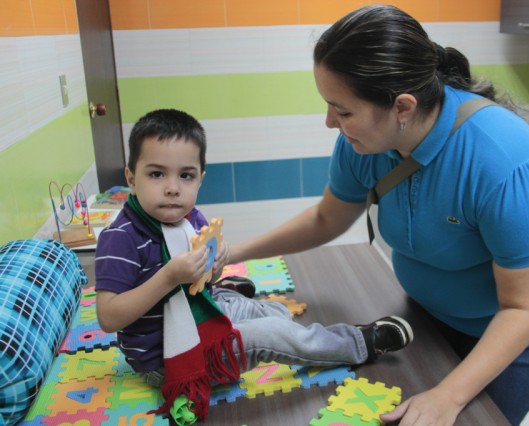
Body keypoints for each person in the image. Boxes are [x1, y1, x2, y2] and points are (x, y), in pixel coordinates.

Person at [226, 5, 529, 426]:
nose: (330, 122)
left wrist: (447, 397)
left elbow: (524, 306)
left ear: (402, 107)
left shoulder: (501, 156)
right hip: (430, 310)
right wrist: (237, 250)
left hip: (521, 320)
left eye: (342, 110)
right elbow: (328, 218)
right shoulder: (362, 143)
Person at [93, 108, 414, 422]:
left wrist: (214, 268)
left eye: (185, 175)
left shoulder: (189, 217)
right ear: (131, 179)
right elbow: (109, 317)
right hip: (165, 357)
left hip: (199, 308)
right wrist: (168, 278)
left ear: (200, 179)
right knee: (272, 333)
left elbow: (200, 277)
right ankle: (359, 343)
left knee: (276, 313)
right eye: (156, 174)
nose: (173, 187)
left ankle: (234, 294)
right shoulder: (120, 239)